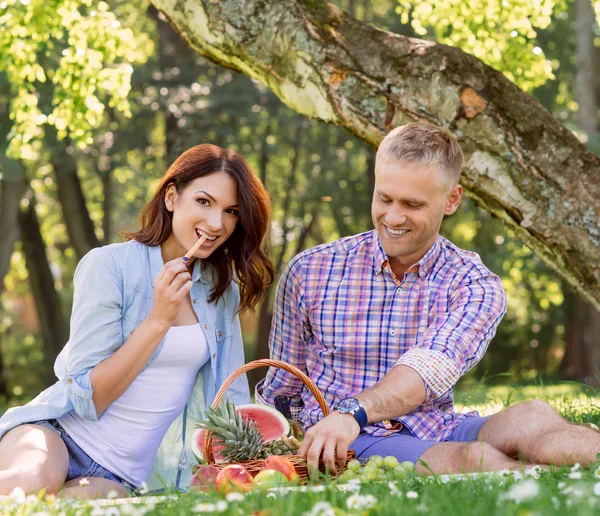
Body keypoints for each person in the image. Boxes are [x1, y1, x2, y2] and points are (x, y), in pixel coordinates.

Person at [257, 123, 600, 476]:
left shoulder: (473, 283)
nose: (393, 217)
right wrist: (279, 448)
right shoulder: (310, 271)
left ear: (451, 200)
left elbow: (428, 370)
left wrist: (352, 412)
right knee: (471, 459)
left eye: (412, 204)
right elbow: (283, 389)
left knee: (534, 417)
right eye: (384, 198)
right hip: (344, 440)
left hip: (433, 425)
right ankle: (535, 479)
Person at [0, 144, 274, 498]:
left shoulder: (221, 291)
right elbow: (89, 398)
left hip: (121, 476)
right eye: (204, 202)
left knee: (65, 506)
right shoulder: (109, 266)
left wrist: (253, 462)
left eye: (231, 211)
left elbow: (229, 395)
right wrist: (158, 319)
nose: (216, 223)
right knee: (29, 485)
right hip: (59, 436)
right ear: (172, 197)